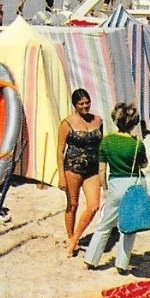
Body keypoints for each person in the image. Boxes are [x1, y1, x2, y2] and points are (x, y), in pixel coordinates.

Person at [84, 103, 149, 274]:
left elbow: (102, 169)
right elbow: (144, 164)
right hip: (133, 183)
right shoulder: (137, 145)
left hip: (116, 183)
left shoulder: (107, 141)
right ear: (133, 123)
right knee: (129, 227)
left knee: (105, 224)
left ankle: (92, 259)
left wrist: (105, 187)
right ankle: (122, 263)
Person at [57, 89, 103, 257]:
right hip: (73, 167)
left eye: (87, 102)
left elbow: (101, 146)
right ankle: (71, 239)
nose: (85, 106)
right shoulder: (67, 123)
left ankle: (75, 238)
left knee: (94, 206)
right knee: (73, 204)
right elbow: (60, 150)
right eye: (81, 104)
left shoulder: (98, 121)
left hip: (92, 168)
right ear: (75, 105)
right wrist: (61, 176)